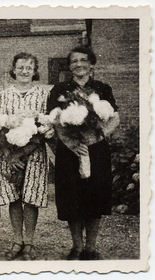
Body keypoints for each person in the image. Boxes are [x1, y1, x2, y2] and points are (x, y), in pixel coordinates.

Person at [47, 46, 119, 260]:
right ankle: (76, 246)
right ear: (69, 66)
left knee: (94, 196)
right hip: (69, 151)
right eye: (74, 61)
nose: (78, 64)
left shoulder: (102, 88)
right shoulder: (59, 89)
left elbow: (114, 117)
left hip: (96, 150)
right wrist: (71, 143)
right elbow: (54, 119)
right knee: (72, 197)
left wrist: (97, 137)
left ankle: (91, 247)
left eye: (83, 60)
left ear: (91, 63)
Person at [0, 52, 51, 260]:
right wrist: (9, 153)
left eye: (29, 67)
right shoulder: (3, 96)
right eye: (21, 67)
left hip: (34, 155)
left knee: (31, 198)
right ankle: (17, 240)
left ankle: (29, 243)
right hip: (8, 156)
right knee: (13, 198)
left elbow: (45, 127)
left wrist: (24, 152)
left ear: (35, 71)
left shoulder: (44, 95)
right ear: (13, 70)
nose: (24, 71)